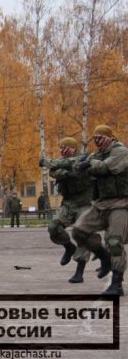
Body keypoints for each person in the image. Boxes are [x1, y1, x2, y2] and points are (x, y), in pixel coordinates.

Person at [72, 125, 128, 296]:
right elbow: (78, 170)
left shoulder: (121, 151)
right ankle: (103, 257)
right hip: (101, 203)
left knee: (114, 242)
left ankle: (117, 283)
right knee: (79, 231)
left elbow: (107, 167)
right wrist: (80, 164)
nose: (97, 141)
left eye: (100, 138)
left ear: (110, 138)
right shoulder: (96, 154)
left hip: (121, 203)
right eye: (94, 138)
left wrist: (88, 164)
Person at [39, 137, 94, 283]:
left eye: (66, 148)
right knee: (53, 227)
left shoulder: (84, 159)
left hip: (85, 203)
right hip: (68, 203)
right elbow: (53, 173)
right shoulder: (59, 163)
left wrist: (56, 166)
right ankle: (69, 247)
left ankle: (79, 272)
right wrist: (66, 173)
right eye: (61, 148)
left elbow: (75, 167)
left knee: (82, 234)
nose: (63, 151)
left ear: (74, 148)